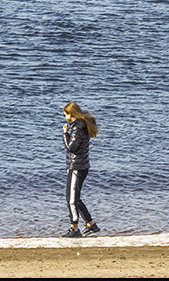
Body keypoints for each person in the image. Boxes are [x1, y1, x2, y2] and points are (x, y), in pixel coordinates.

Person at [61, 101, 100, 237]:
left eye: (65, 114)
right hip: (79, 166)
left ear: (71, 114)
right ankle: (91, 224)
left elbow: (72, 147)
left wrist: (64, 134)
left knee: (71, 199)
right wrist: (69, 167)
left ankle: (74, 228)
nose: (64, 116)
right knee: (75, 198)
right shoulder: (80, 125)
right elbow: (77, 150)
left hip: (78, 167)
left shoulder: (78, 126)